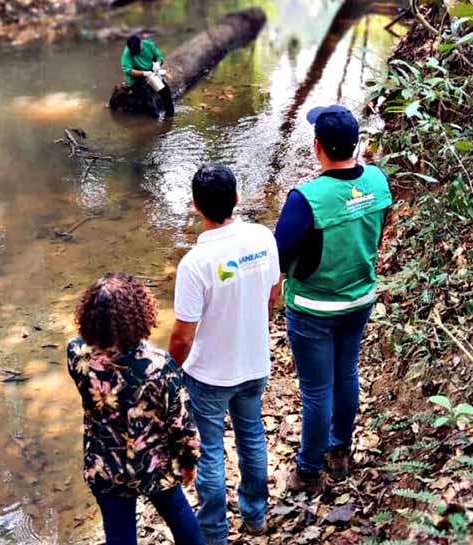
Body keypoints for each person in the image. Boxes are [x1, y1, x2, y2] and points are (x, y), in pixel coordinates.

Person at [274, 105, 392, 493]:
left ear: (318, 147)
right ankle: (340, 451)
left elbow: (280, 256)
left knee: (316, 389)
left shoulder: (306, 198)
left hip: (313, 308)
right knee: (347, 373)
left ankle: (309, 470)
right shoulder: (376, 181)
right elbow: (379, 227)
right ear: (355, 145)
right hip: (359, 298)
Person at [168, 165, 281, 545]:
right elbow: (273, 295)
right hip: (254, 363)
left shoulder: (195, 264)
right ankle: (255, 516)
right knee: (251, 437)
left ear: (196, 206)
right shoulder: (263, 237)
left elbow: (182, 338)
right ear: (236, 199)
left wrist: (170, 372)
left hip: (210, 375)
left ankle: (214, 533)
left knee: (211, 449)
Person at [67, 273, 205, 545]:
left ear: (88, 316)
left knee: (118, 534)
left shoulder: (76, 353)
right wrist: (188, 463)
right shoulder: (160, 365)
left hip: (105, 464)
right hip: (154, 463)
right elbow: (181, 424)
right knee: (179, 514)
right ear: (140, 315)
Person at [121, 34, 175, 118]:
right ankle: (154, 121)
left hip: (152, 73)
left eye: (138, 49)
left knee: (165, 90)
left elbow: (159, 56)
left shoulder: (148, 45)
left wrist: (158, 63)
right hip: (136, 79)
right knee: (147, 98)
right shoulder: (127, 53)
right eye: (134, 51)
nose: (136, 52)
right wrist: (144, 73)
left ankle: (170, 116)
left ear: (141, 43)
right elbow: (128, 70)